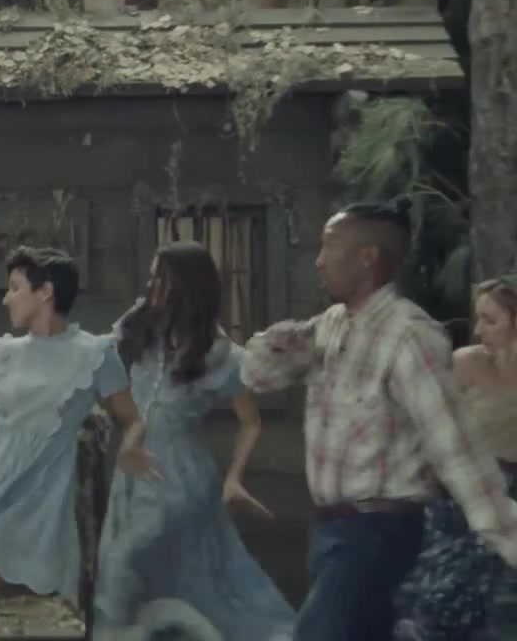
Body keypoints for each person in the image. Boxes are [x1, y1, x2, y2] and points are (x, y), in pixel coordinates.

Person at [241, 199, 517, 641]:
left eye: (329, 247)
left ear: (366, 257)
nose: (318, 261)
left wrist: (505, 531)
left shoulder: (409, 336)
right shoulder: (331, 325)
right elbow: (257, 376)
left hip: (377, 531)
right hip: (332, 530)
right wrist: (276, 344)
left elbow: (452, 442)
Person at [0, 246, 153, 641]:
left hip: (31, 498)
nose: (6, 298)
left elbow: (134, 417)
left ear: (45, 292)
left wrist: (130, 446)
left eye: (14, 288)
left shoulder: (94, 353)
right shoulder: (4, 352)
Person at [94, 241, 295, 641]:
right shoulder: (139, 328)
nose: (152, 286)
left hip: (179, 476)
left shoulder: (218, 354)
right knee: (169, 578)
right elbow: (98, 361)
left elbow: (251, 423)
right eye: (151, 276)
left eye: (162, 279)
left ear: (187, 286)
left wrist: (234, 478)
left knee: (125, 562)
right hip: (131, 474)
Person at [394, 275, 517, 640]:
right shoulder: (466, 364)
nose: (478, 330)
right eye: (478, 318)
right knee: (437, 603)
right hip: (460, 497)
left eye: (490, 320)